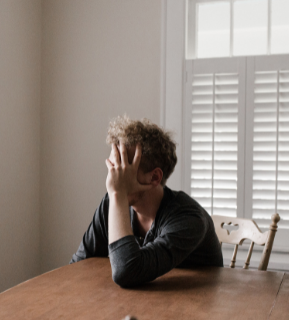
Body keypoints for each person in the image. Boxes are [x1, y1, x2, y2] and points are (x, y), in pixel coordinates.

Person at [70, 115, 223, 288]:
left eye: (123, 167)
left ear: (154, 177)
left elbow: (127, 271)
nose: (112, 177)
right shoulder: (112, 202)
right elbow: (78, 265)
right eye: (113, 166)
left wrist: (118, 194)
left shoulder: (189, 218)